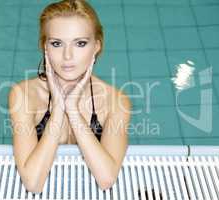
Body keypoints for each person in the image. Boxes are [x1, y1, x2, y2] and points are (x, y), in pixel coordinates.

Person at [8, 0, 131, 193]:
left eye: (80, 43)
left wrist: (72, 109)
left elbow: (106, 178)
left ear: (96, 46)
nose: (67, 56)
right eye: (57, 43)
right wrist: (58, 107)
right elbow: (33, 183)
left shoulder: (115, 101)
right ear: (45, 47)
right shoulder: (24, 95)